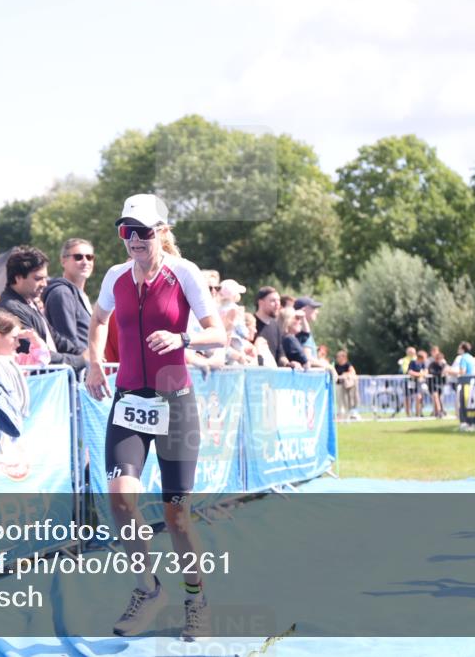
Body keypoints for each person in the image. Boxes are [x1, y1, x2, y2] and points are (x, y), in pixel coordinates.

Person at [84, 194, 225, 641]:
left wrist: (182, 338)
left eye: (143, 231)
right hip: (128, 401)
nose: (133, 241)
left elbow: (217, 334)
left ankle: (195, 597)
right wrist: (92, 361)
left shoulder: (184, 274)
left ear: (162, 232)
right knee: (121, 501)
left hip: (174, 402)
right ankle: (148, 589)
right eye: (126, 231)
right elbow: (99, 318)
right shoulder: (114, 276)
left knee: (176, 515)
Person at [0, 309, 45, 481]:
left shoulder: (17, 362)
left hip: (16, 425)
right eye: (14, 338)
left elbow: (43, 360)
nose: (17, 344)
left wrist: (34, 340)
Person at [0, 246, 86, 372]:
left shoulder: (28, 302)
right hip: (38, 385)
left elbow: (55, 338)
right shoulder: (10, 309)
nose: (45, 284)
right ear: (18, 278)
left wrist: (84, 353)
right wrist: (81, 360)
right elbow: (35, 353)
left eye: (45, 278)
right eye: (38, 279)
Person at [43, 238, 95, 354]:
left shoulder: (81, 295)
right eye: (78, 257)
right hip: (76, 368)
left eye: (89, 257)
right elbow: (67, 341)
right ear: (63, 261)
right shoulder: (62, 293)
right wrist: (87, 358)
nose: (85, 262)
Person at [253, 286, 290, 367]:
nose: (277, 304)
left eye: (278, 300)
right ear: (261, 302)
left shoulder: (275, 325)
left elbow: (280, 354)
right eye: (273, 301)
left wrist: (288, 364)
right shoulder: (251, 324)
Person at [293, 296, 322, 360]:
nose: (317, 312)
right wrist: (328, 366)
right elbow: (307, 358)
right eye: (314, 308)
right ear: (303, 310)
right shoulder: (301, 331)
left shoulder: (295, 329)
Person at [333, 349, 360, 420]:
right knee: (339, 401)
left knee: (347, 401)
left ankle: (348, 415)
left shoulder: (348, 364)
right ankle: (340, 415)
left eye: (339, 356)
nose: (337, 358)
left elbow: (353, 372)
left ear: (343, 357)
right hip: (338, 385)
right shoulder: (336, 365)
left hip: (346, 386)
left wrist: (345, 374)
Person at [407, 349, 429, 416]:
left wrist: (420, 374)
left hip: (419, 383)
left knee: (419, 398)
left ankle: (418, 413)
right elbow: (410, 372)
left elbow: (426, 371)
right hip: (411, 383)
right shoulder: (413, 362)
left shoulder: (423, 364)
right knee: (409, 398)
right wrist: (420, 374)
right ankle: (409, 414)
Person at [427, 351, 447, 418]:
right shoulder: (432, 365)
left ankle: (438, 412)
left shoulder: (443, 365)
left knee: (439, 398)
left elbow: (445, 373)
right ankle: (438, 412)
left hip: (440, 385)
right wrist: (441, 373)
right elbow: (432, 372)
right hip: (432, 384)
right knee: (436, 397)